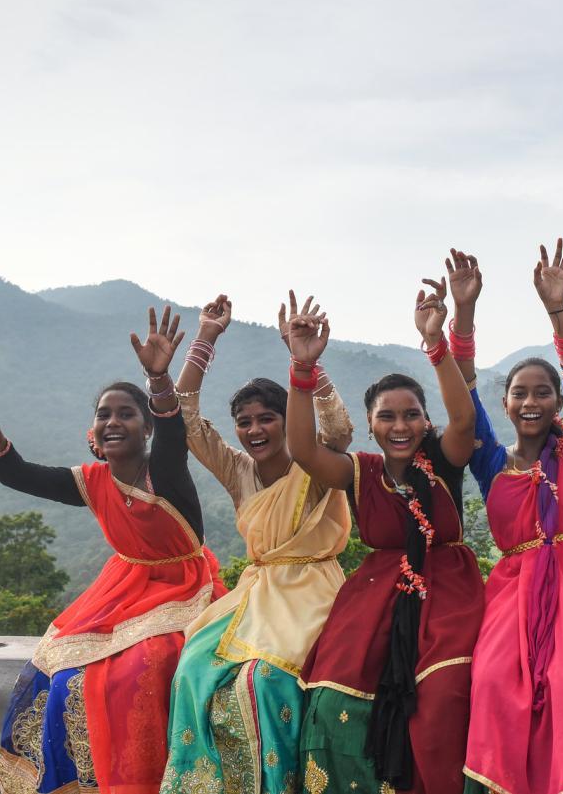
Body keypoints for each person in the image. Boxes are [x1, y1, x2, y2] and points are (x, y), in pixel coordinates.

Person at [0, 306, 225, 794]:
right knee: (55, 670)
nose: (113, 421)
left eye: (126, 413)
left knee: (140, 668)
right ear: (93, 431)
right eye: (103, 414)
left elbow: (175, 427)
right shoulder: (91, 482)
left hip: (182, 587)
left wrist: (158, 379)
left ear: (146, 427)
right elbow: (15, 473)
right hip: (124, 587)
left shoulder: (166, 469)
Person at [288, 275, 485, 794]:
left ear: (425, 420)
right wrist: (302, 369)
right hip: (373, 598)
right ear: (371, 425)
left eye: (412, 414)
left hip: (448, 594)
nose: (401, 425)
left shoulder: (444, 458)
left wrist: (435, 344)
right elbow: (303, 449)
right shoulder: (360, 471)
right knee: (336, 699)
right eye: (387, 416)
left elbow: (464, 417)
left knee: (444, 695)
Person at [159, 293, 356, 794]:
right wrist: (204, 338)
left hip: (310, 590)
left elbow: (338, 429)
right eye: (244, 421)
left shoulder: (313, 464)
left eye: (265, 418)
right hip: (255, 594)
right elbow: (184, 420)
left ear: (287, 421)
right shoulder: (237, 470)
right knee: (190, 671)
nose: (253, 430)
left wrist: (306, 364)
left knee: (265, 681)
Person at [447, 242, 563, 794]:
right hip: (510, 593)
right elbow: (464, 397)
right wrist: (463, 313)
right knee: (492, 681)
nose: (533, 401)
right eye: (521, 393)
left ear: (557, 405)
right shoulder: (490, 459)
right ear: (508, 402)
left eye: (544, 393)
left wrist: (557, 309)